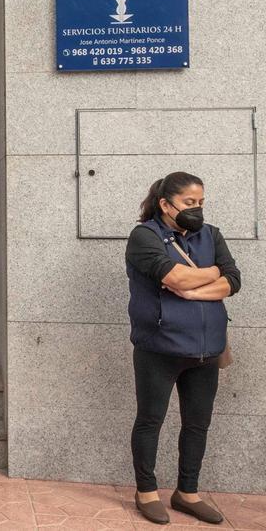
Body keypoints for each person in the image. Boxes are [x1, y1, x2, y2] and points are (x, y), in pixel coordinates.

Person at [125, 172, 239, 526]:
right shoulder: (145, 236)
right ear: (165, 204)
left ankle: (187, 492)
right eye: (190, 203)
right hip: (160, 348)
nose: (197, 209)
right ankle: (146, 492)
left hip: (206, 349)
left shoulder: (212, 235)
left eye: (201, 202)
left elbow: (233, 280)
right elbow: (171, 276)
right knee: (150, 421)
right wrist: (212, 273)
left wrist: (195, 289)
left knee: (197, 424)